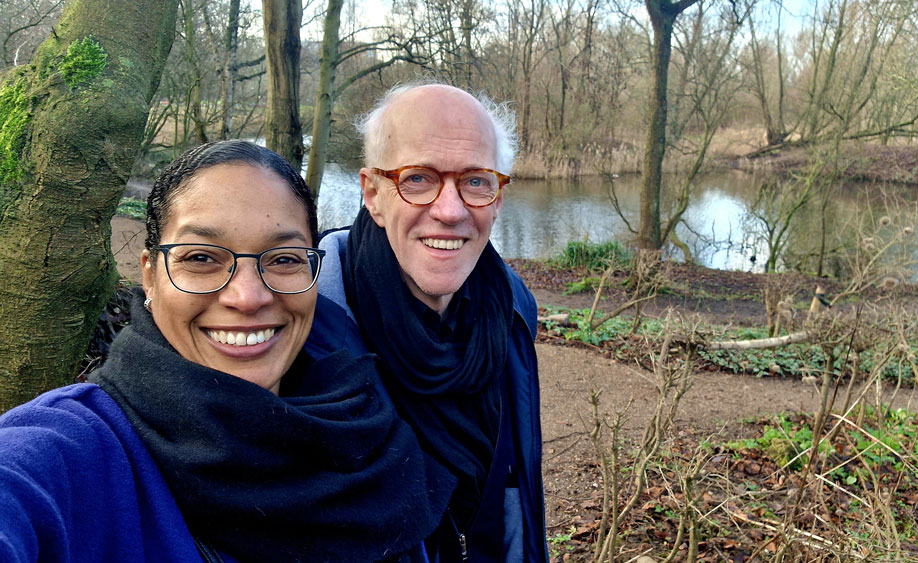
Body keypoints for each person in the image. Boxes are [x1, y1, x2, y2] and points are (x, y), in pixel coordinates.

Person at [0, 140, 456, 562]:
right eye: (201, 258)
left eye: (283, 259)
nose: (248, 297)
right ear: (150, 276)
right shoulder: (67, 454)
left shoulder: (365, 429)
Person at [305, 83, 546, 561]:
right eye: (417, 179)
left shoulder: (514, 309)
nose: (450, 210)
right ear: (372, 193)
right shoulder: (302, 328)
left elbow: (515, 492)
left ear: (497, 198)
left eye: (476, 181)